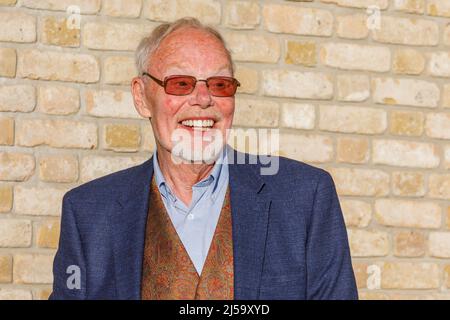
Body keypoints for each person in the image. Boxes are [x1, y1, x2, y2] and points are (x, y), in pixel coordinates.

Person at [50, 17, 357, 300]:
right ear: (142, 96)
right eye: (180, 83)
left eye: (219, 84)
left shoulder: (305, 198)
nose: (203, 98)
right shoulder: (89, 214)